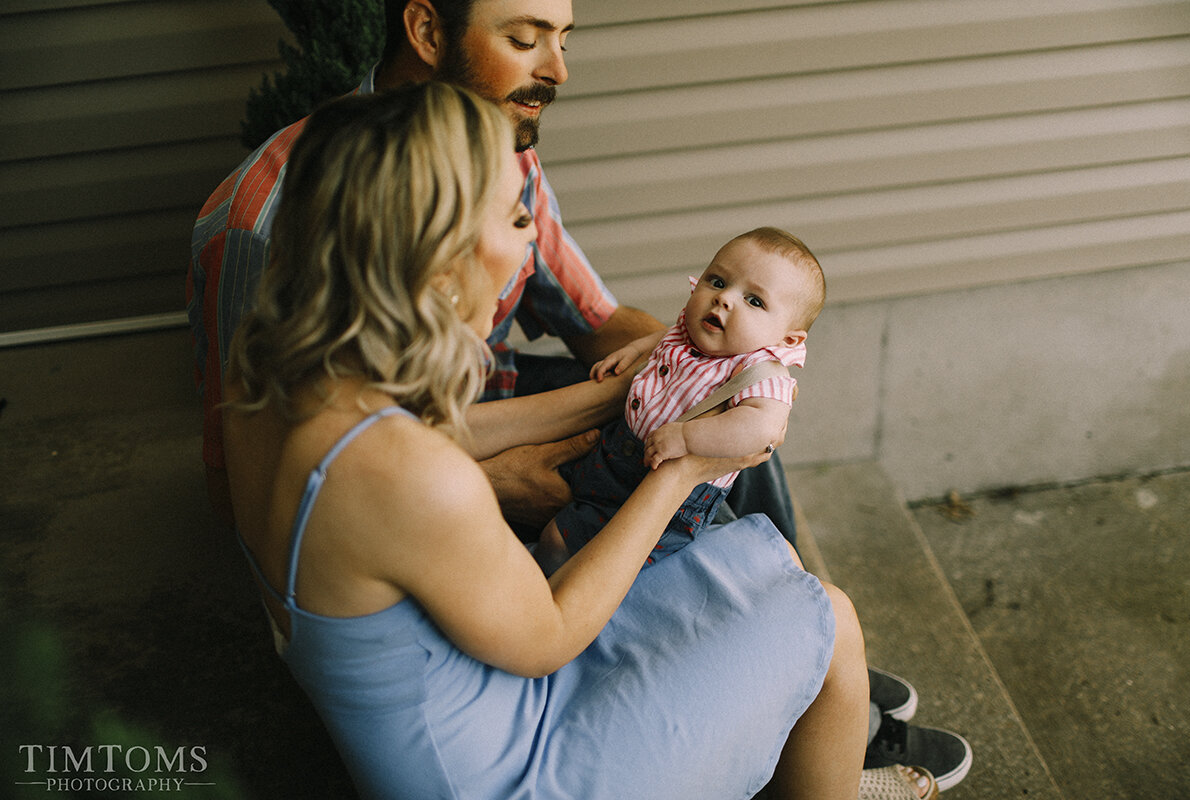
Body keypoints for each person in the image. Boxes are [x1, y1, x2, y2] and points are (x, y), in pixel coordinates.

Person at [192, 0, 969, 788]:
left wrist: (629, 391)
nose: (531, 234)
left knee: (779, 590)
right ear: (443, 254)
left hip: (436, 680)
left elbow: (446, 429)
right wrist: (681, 468)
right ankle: (813, 741)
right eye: (516, 215)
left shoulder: (277, 371)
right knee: (826, 616)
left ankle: (800, 721)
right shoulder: (417, 482)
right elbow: (551, 630)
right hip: (511, 765)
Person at [186, 0, 795, 547]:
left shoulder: (507, 152)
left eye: (563, 40)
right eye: (526, 40)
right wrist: (485, 486)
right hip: (378, 478)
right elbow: (244, 492)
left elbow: (595, 320)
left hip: (485, 398)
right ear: (426, 31)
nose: (558, 71)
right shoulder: (264, 221)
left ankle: (798, 617)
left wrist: (727, 366)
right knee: (658, 517)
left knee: (728, 431)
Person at [537, 227, 823, 572]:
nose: (725, 298)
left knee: (566, 542)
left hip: (672, 495)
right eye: (718, 281)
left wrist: (686, 437)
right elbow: (664, 337)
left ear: (789, 339)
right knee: (564, 514)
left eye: (754, 300)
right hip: (618, 452)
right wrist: (631, 351)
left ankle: (565, 588)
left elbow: (760, 430)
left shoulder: (761, 373)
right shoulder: (694, 332)